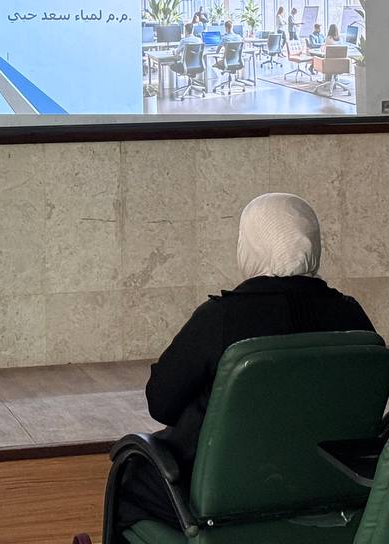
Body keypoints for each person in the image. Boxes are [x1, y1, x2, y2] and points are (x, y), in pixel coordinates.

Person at [115, 193, 374, 530]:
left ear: (250, 245)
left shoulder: (221, 319)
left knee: (130, 477)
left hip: (224, 500)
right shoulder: (352, 316)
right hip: (326, 492)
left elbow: (161, 403)